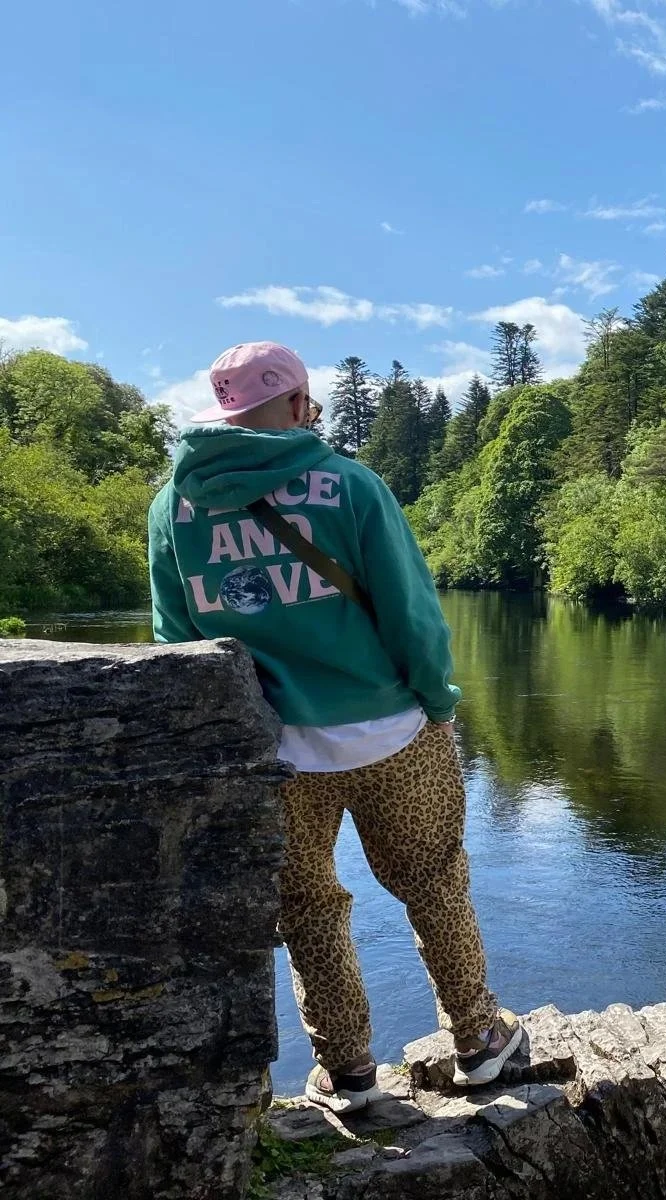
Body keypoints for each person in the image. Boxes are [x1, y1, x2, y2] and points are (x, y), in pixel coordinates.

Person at [146, 341, 523, 1112]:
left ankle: (349, 1072)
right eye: (308, 405)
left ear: (224, 413)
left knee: (308, 907)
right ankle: (480, 1042)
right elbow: (412, 615)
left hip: (271, 750)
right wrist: (440, 705)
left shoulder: (171, 506)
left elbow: (177, 638)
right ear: (294, 406)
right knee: (434, 883)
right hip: (391, 733)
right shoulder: (349, 485)